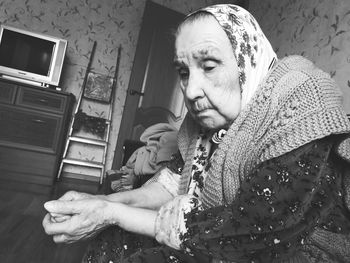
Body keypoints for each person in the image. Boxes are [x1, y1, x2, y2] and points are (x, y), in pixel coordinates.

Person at [43, 4, 350, 262]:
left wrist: (111, 212)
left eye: (210, 65)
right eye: (184, 71)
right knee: (113, 237)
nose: (191, 90)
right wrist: (101, 205)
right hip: (222, 232)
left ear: (248, 60)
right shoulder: (200, 128)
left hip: (292, 249)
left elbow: (251, 230)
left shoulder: (300, 100)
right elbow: (168, 185)